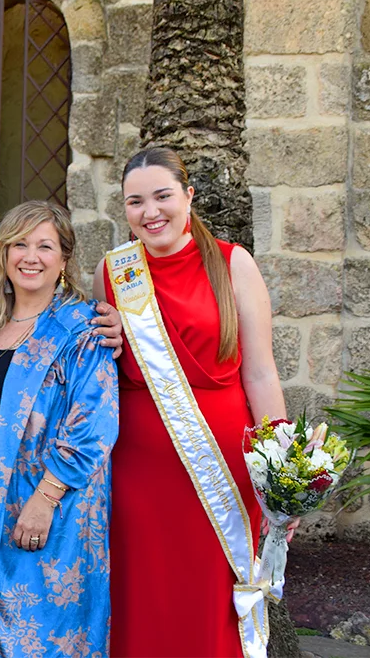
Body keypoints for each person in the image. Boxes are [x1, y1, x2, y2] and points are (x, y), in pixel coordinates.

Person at [96, 147, 288, 658]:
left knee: (211, 601)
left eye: (162, 196)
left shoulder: (233, 263)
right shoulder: (113, 274)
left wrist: (283, 470)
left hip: (222, 470)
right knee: (145, 598)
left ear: (189, 196)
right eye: (135, 201)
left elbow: (262, 371)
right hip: (139, 474)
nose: (150, 211)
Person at [0, 200, 119, 657]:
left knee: (37, 638)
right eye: (19, 244)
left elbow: (94, 428)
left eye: (45, 246)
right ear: (3, 254)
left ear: (64, 259)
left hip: (49, 513)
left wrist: (44, 500)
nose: (31, 256)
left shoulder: (82, 329)